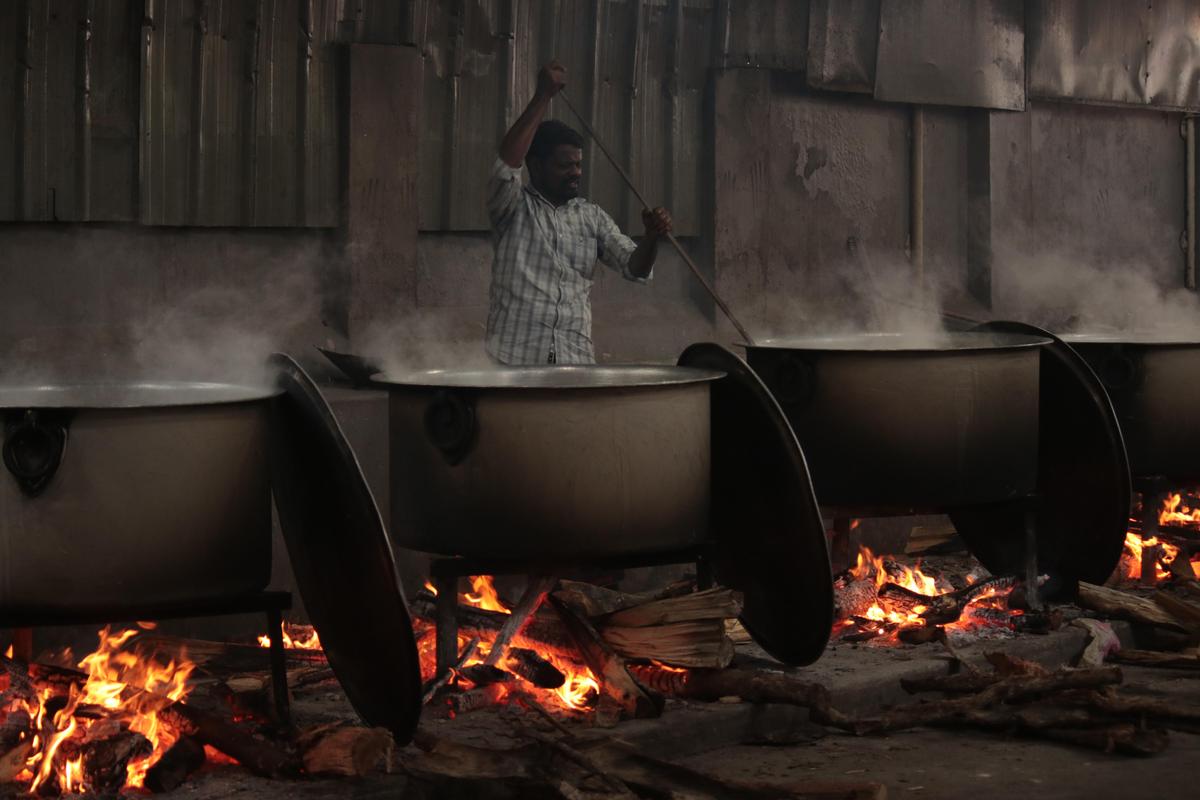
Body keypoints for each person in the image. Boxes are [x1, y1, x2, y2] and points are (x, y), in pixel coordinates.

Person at [485, 60, 673, 365]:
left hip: (575, 362)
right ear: (536, 165)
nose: (575, 173)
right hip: (513, 363)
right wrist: (543, 97)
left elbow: (635, 268)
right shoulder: (512, 206)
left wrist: (652, 238)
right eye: (564, 165)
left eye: (578, 164)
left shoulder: (591, 216)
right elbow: (506, 164)